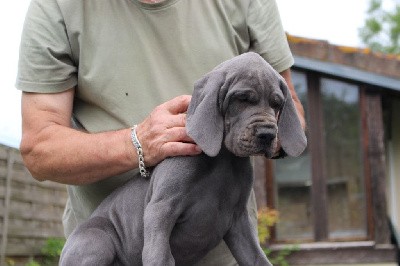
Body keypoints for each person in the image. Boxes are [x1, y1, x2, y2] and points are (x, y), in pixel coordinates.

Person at [16, 0, 305, 264]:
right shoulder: (58, 6)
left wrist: (264, 134)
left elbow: (288, 105)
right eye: (243, 99)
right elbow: (39, 148)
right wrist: (137, 144)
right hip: (106, 250)